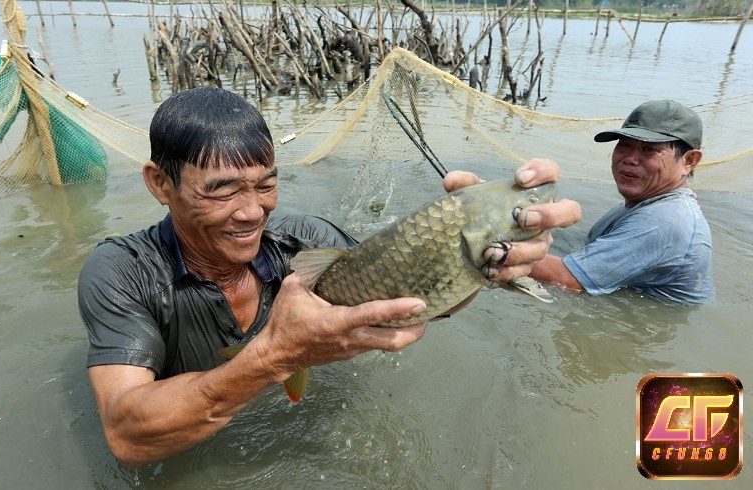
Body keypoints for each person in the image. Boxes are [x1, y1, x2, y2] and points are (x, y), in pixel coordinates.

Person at [77, 87, 581, 468]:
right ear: (159, 183)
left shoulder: (306, 240)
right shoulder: (122, 272)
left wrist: (478, 261)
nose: (252, 212)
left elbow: (416, 299)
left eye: (267, 184)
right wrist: (278, 355)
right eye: (222, 191)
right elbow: (129, 436)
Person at [529, 99, 714, 304]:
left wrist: (492, 249)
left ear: (689, 161)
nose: (630, 159)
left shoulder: (665, 220)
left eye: (649, 150)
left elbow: (570, 280)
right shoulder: (644, 204)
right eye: (625, 146)